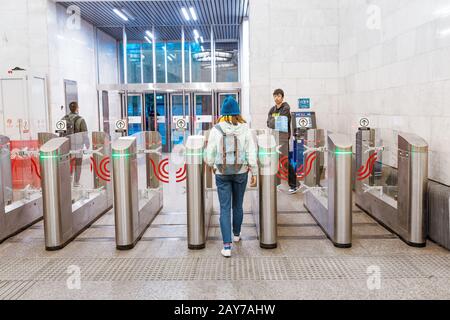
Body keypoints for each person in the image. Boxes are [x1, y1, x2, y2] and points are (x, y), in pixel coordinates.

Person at [205, 96, 258, 258]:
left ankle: (226, 246)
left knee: (225, 208)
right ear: (237, 112)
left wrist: (213, 166)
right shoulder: (245, 129)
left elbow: (209, 154)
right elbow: (251, 152)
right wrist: (254, 172)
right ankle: (236, 234)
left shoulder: (216, 130)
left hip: (222, 173)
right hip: (241, 172)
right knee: (238, 205)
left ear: (223, 113)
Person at [267, 89, 299, 194]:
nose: (276, 98)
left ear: (282, 97)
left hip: (283, 138)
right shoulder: (272, 109)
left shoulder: (286, 107)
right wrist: (275, 121)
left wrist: (274, 121)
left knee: (285, 161)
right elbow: (268, 123)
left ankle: (294, 185)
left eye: (278, 96)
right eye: (275, 96)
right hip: (274, 137)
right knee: (274, 160)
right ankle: (275, 184)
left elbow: (282, 121)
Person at [61, 101, 89, 187]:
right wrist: (87, 144)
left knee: (67, 163)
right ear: (77, 108)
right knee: (78, 163)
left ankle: (68, 180)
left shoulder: (63, 119)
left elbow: (60, 133)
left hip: (66, 145)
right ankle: (76, 182)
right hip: (77, 146)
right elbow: (84, 133)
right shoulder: (81, 119)